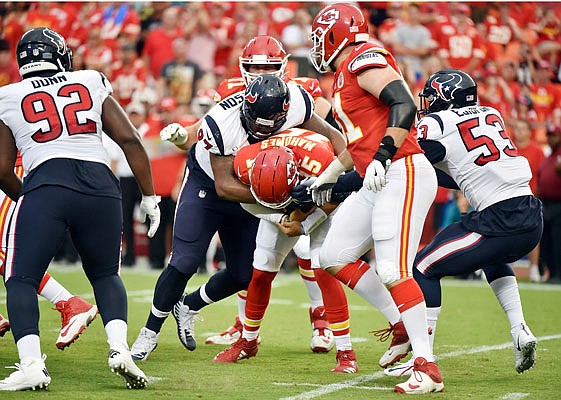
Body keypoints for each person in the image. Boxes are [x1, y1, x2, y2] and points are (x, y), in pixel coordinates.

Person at [130, 74, 348, 362]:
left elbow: (335, 138)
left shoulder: (296, 102)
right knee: (184, 261)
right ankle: (149, 332)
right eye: (256, 125)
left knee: (244, 274)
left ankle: (188, 305)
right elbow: (224, 186)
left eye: (271, 126)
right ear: (247, 108)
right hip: (209, 186)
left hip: (256, 188)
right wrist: (284, 199)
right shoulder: (222, 122)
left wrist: (333, 176)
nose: (261, 132)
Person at [0, 27, 160, 391]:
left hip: (47, 181)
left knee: (21, 278)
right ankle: (120, 350)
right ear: (60, 56)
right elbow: (130, 139)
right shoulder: (89, 79)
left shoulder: (7, 95)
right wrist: (149, 197)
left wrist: (31, 197)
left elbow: (1, 169)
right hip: (102, 185)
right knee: (106, 274)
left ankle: (31, 366)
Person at [303, 3, 443, 394]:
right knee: (333, 255)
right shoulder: (345, 75)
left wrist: (382, 155)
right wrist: (329, 175)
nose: (316, 45)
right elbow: (358, 140)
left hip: (403, 169)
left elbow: (405, 104)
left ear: (337, 34)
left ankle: (426, 366)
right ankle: (401, 322)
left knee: (394, 270)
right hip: (377, 177)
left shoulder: (364, 59)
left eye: (320, 36)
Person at [389, 69, 541, 377]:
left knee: (423, 267)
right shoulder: (491, 113)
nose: (427, 104)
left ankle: (423, 358)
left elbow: (412, 159)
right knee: (493, 259)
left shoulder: (437, 123)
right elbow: (463, 170)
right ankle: (520, 329)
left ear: (445, 99)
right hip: (529, 214)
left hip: (499, 219)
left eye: (431, 98)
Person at [206, 35, 335, 352]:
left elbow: (325, 121)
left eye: (268, 65)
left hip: (302, 179)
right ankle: (243, 327)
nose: (261, 71)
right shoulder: (231, 94)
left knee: (309, 253)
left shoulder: (301, 91)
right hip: (255, 184)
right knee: (253, 258)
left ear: (283, 66)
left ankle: (322, 322)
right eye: (255, 66)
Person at [212, 131, 353, 371]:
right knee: (261, 271)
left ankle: (346, 352)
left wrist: (305, 223)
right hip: (276, 200)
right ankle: (248, 341)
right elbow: (246, 201)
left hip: (319, 196)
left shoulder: (319, 161)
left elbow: (337, 196)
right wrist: (279, 215)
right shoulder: (245, 163)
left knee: (323, 269)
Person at [537, 124, 561, 283]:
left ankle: (558, 274)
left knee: (558, 240)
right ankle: (552, 273)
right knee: (546, 240)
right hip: (546, 204)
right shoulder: (548, 157)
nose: (551, 139)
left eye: (554, 136)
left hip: (559, 204)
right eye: (549, 135)